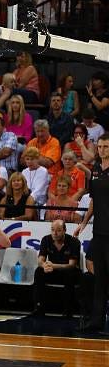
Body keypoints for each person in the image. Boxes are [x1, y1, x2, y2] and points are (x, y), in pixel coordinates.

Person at [75, 133, 109, 332]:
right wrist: (84, 223)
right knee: (99, 278)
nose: (103, 150)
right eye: (101, 146)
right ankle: (96, 320)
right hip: (99, 232)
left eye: (106, 147)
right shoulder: (96, 169)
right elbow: (93, 202)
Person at [32, 219, 81, 317]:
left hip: (68, 271)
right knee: (39, 272)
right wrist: (44, 265)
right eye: (52, 229)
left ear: (64, 230)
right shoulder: (46, 239)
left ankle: (68, 310)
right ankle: (39, 307)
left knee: (70, 275)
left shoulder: (74, 242)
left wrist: (53, 266)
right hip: (52, 271)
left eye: (58, 230)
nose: (55, 233)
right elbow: (40, 260)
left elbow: (71, 265)